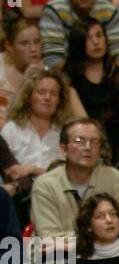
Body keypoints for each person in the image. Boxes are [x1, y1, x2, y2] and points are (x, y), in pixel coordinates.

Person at [30, 116, 119, 238]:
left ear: (100, 150)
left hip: (106, 254)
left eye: (94, 142)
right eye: (79, 141)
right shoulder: (45, 185)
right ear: (63, 148)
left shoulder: (112, 177)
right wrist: (99, 236)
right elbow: (50, 239)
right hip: (60, 256)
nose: (87, 147)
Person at [1, 68, 68, 204]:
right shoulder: (12, 129)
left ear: (59, 100)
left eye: (53, 94)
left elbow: (70, 176)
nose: (47, 98)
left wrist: (33, 170)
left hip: (59, 198)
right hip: (20, 200)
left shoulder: (66, 134)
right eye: (41, 92)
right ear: (29, 97)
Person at [63, 21, 112, 123]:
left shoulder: (118, 74)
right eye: (88, 38)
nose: (96, 42)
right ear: (78, 43)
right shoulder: (70, 79)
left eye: (99, 35)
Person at [0, 18, 44, 127]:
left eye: (37, 42)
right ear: (9, 46)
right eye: (24, 43)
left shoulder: (44, 74)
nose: (33, 49)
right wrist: (26, 83)